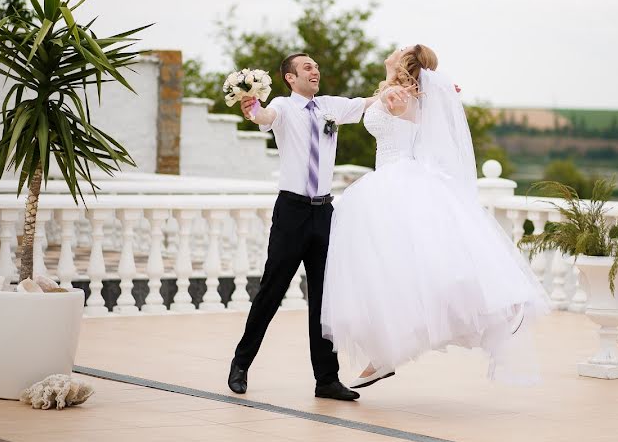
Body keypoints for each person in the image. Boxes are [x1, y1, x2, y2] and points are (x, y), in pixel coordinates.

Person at [321, 45, 551, 388]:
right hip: (393, 177)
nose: (393, 50)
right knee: (401, 272)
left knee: (410, 268)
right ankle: (387, 350)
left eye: (399, 50)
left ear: (404, 64)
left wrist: (406, 103)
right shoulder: (395, 91)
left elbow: (404, 119)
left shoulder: (396, 94)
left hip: (395, 177)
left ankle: (500, 311)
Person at [227, 52, 377, 401]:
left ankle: (326, 379)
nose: (316, 70)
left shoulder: (331, 107)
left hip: (324, 213)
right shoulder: (283, 106)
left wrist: (415, 87)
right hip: (292, 211)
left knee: (325, 299)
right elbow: (262, 116)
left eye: (317, 66)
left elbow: (370, 101)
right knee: (272, 290)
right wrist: (251, 106)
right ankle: (241, 363)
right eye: (308, 66)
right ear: (290, 78)